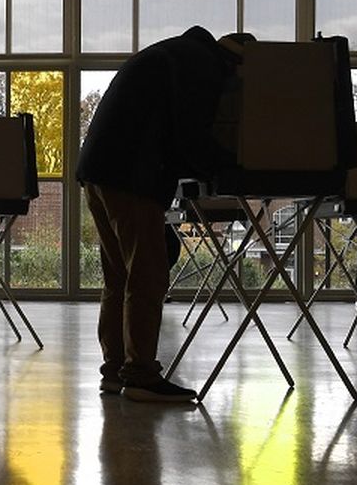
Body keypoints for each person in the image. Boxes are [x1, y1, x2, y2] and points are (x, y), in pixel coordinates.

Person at [77, 26, 252, 403]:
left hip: (97, 170)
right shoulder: (203, 67)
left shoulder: (175, 53)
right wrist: (232, 168)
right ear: (239, 65)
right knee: (148, 275)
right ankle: (139, 375)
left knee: (120, 277)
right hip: (130, 173)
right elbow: (191, 134)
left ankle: (115, 371)